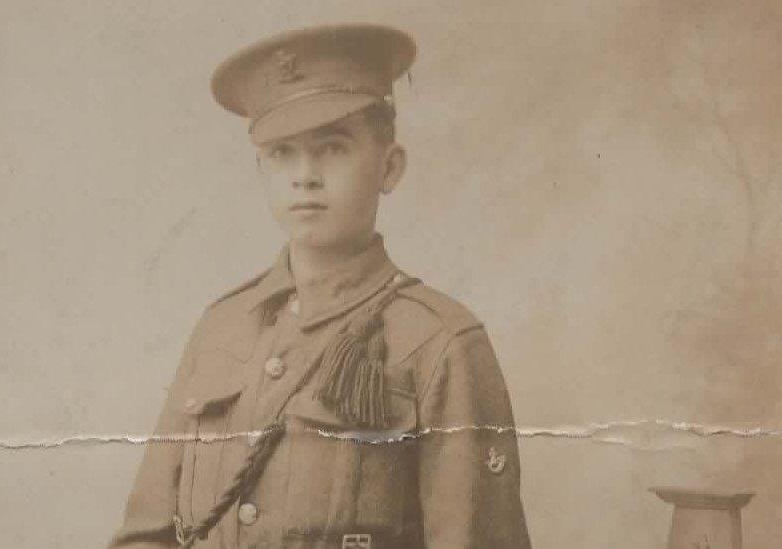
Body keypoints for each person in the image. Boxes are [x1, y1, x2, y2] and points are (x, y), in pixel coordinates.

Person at [110, 23, 531, 549]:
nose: (304, 176)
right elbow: (145, 535)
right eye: (282, 153)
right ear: (260, 170)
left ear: (389, 167)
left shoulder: (439, 342)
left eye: (332, 148)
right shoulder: (222, 328)